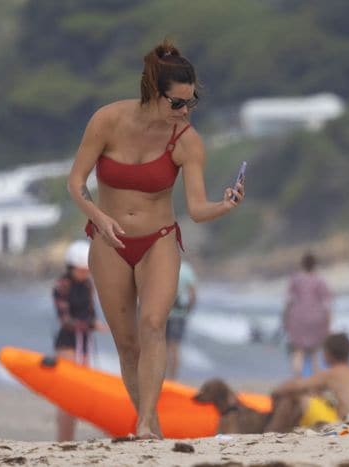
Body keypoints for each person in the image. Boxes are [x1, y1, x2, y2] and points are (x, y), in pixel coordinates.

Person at [66, 40, 244, 439]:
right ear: (153, 92)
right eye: (177, 103)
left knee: (152, 324)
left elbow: (196, 209)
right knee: (126, 344)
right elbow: (76, 182)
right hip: (108, 240)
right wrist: (97, 216)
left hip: (158, 240)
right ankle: (154, 427)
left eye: (191, 101)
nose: (185, 111)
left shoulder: (186, 140)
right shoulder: (107, 120)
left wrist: (225, 205)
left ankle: (144, 423)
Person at [53, 240, 106, 441]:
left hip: (85, 342)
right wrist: (91, 325)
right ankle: (63, 440)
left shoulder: (88, 285)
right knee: (66, 394)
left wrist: (94, 323)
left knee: (79, 394)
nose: (84, 274)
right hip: (66, 343)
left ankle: (72, 439)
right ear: (71, 267)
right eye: (81, 270)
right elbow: (65, 320)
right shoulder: (61, 286)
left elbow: (91, 311)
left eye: (87, 270)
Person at [266, 333, 349, 431]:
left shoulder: (333, 373)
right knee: (311, 396)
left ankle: (271, 432)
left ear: (328, 353)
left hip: (344, 428)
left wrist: (275, 392)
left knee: (292, 397)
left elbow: (296, 385)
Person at [283, 252, 332, 377]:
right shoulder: (320, 280)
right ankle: (316, 380)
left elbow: (289, 301)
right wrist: (328, 323)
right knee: (315, 352)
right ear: (315, 265)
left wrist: (285, 319)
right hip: (317, 318)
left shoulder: (295, 279)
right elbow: (327, 304)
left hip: (298, 317)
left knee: (298, 351)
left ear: (302, 264)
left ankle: (298, 379)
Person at [165, 260, 197, 381]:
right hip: (179, 314)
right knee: (175, 347)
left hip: (164, 312)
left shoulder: (165, 266)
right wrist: (188, 310)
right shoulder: (187, 270)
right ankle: (173, 378)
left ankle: (162, 378)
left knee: (162, 347)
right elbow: (193, 294)